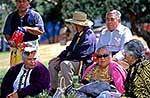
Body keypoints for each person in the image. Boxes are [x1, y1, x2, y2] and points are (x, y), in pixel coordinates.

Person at [48, 11, 96, 95]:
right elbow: (69, 49)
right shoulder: (78, 34)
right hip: (74, 59)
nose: (73, 26)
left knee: (65, 64)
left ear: (80, 25)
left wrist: (63, 59)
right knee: (52, 64)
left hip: (83, 62)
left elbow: (80, 54)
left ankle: (69, 90)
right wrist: (59, 57)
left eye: (75, 24)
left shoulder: (88, 36)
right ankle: (53, 90)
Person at [3, 0, 45, 66]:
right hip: (17, 49)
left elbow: (40, 31)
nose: (21, 4)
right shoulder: (11, 17)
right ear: (16, 3)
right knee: (16, 70)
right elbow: (7, 33)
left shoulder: (35, 15)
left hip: (32, 48)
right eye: (19, 1)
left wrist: (27, 28)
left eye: (24, 1)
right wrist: (10, 41)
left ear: (29, 2)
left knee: (32, 69)